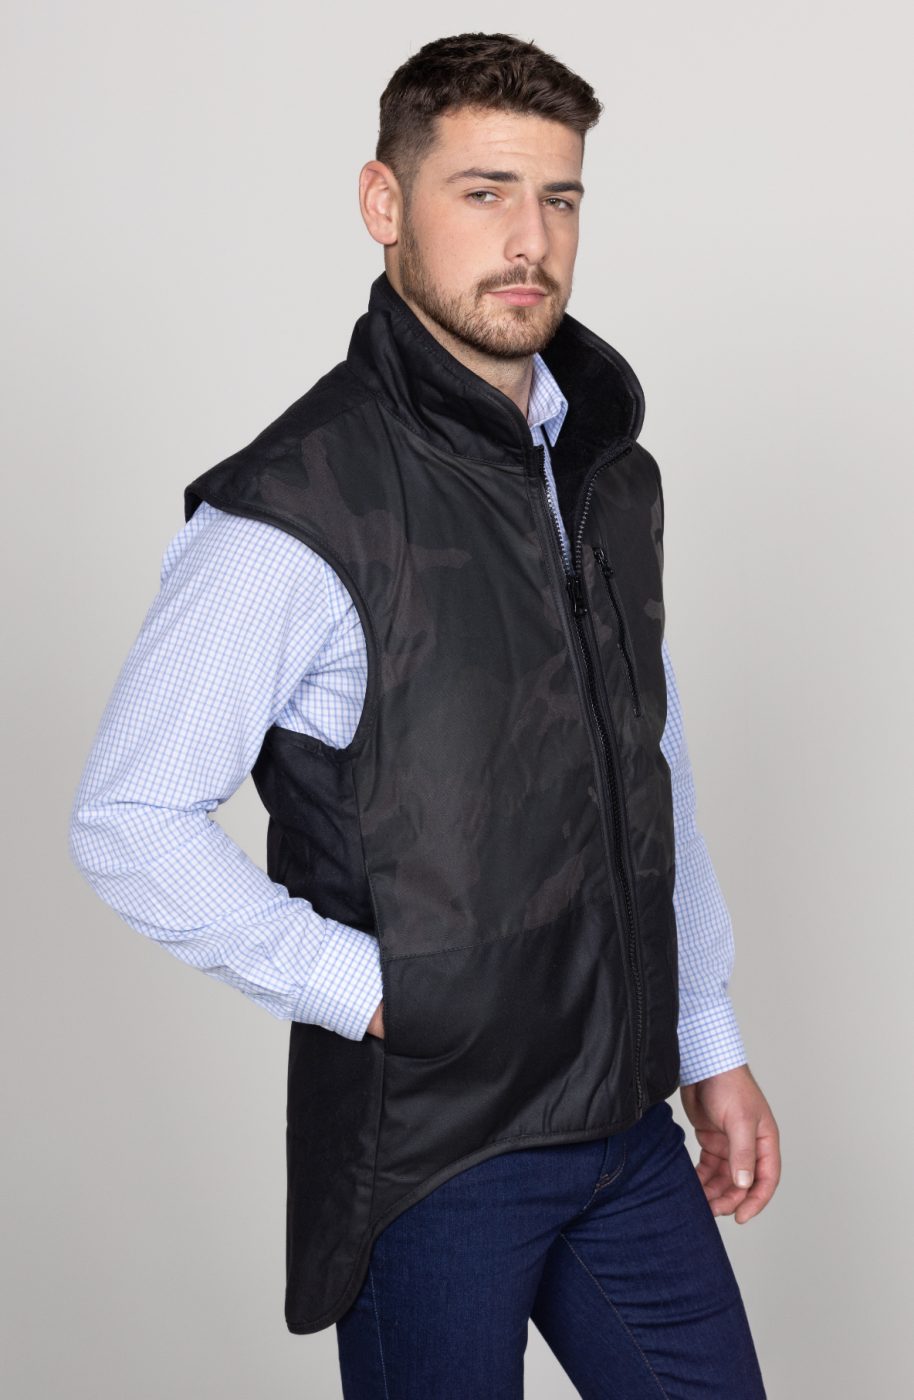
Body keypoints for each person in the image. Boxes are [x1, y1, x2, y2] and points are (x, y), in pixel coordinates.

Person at [70, 30, 779, 1399]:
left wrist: (706, 1039)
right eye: (483, 191)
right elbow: (128, 817)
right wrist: (383, 996)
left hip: (623, 1122)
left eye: (558, 197)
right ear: (384, 203)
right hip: (434, 1151)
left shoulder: (605, 472)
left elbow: (650, 768)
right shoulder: (293, 510)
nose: (529, 241)